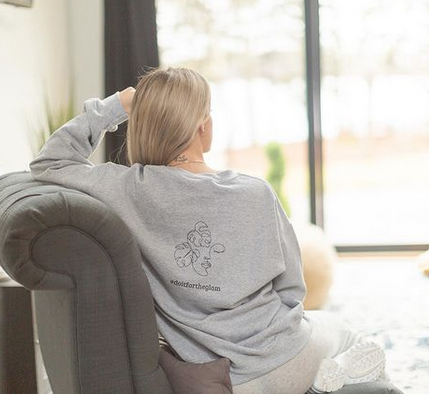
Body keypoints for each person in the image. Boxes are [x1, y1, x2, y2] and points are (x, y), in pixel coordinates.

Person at [29, 67, 386, 393]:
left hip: (218, 377)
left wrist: (119, 105)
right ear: (202, 126)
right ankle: (325, 380)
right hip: (286, 360)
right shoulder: (254, 192)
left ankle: (322, 380)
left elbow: (49, 162)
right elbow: (292, 288)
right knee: (345, 333)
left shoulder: (125, 189)